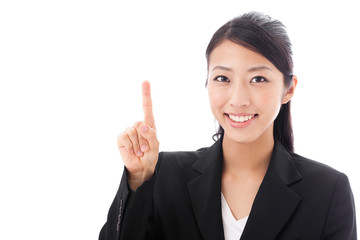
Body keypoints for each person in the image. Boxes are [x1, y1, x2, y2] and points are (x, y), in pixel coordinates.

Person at [99, 12, 357, 240]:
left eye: (258, 79)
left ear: (289, 89)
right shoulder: (164, 176)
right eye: (223, 78)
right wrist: (139, 180)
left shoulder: (327, 191)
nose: (238, 100)